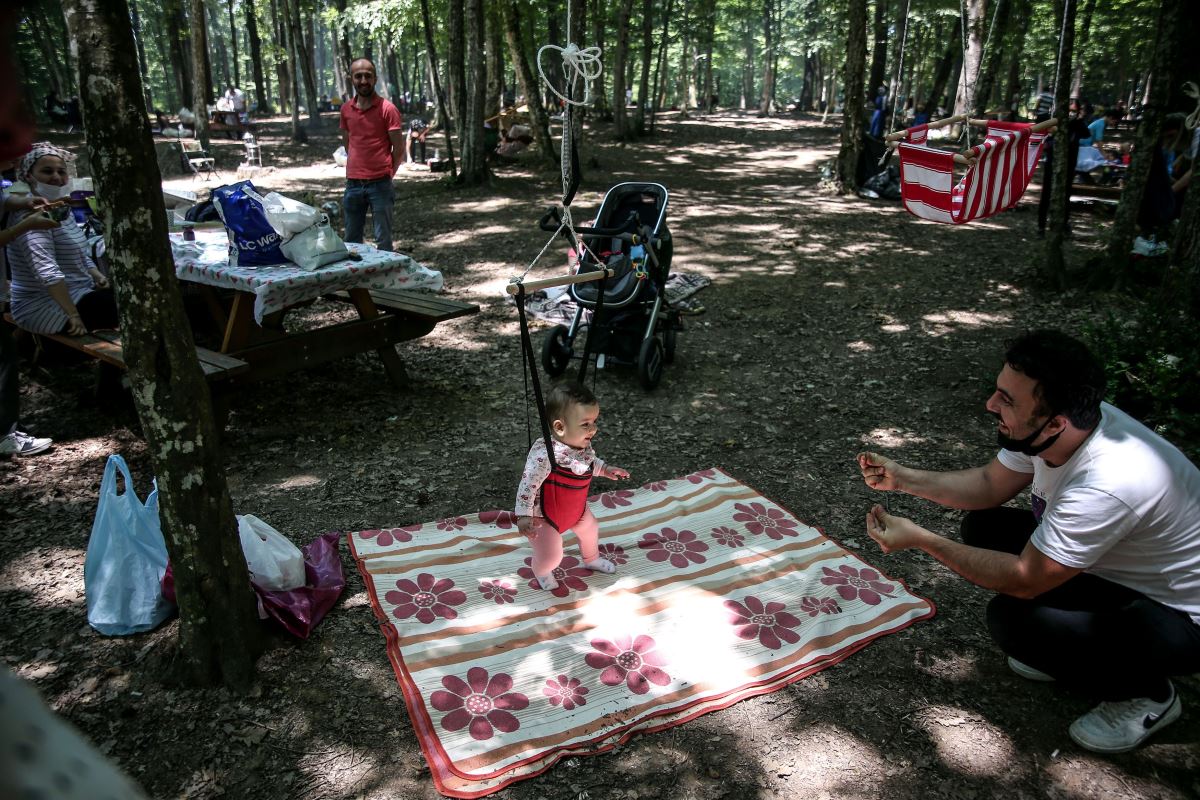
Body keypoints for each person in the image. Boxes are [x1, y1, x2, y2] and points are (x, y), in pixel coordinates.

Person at [857, 330, 1200, 754]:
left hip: (1181, 615)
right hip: (1125, 571)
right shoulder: (1061, 425)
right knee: (985, 528)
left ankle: (1147, 694)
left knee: (1015, 619)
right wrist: (903, 479)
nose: (990, 405)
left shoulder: (1106, 483)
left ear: (1055, 421)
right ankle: (1077, 655)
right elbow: (987, 485)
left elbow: (1024, 580)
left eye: (1007, 400)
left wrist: (923, 540)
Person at [514, 383, 630, 590]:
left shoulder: (580, 444)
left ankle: (591, 558)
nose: (593, 429)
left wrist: (606, 469)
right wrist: (524, 515)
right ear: (560, 427)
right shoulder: (545, 455)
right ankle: (541, 571)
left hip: (575, 509)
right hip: (544, 515)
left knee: (590, 529)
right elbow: (527, 485)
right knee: (551, 554)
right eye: (586, 424)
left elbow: (588, 462)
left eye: (594, 421)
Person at [6, 143, 116, 337]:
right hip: (42, 306)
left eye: (61, 172)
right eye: (47, 171)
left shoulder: (61, 208)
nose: (56, 177)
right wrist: (73, 314)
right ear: (29, 176)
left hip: (78, 292)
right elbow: (47, 271)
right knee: (136, 306)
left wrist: (97, 275)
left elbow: (79, 251)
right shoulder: (29, 215)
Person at [1, 160, 58, 457]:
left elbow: (4, 198)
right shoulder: (28, 226)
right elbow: (47, 271)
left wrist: (24, 201)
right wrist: (26, 225)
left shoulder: (5, 183)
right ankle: (4, 434)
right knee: (4, 357)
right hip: (28, 303)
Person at [339, 58, 403, 252]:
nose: (363, 80)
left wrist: (386, 174)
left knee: (383, 240)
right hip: (353, 184)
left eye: (368, 76)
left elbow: (398, 149)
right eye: (358, 76)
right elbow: (347, 142)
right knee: (351, 239)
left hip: (380, 185)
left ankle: (385, 280)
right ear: (352, 79)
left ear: (375, 79)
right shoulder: (345, 109)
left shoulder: (387, 109)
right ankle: (354, 279)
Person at [1037, 99, 1088, 237]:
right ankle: (1041, 227)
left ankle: (1064, 225)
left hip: (1069, 166)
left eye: (1074, 111)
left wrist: (1078, 119)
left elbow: (1086, 133)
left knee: (1065, 196)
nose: (1071, 113)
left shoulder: (1077, 125)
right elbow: (1043, 137)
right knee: (1046, 195)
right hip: (1052, 165)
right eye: (1069, 110)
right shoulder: (1054, 123)